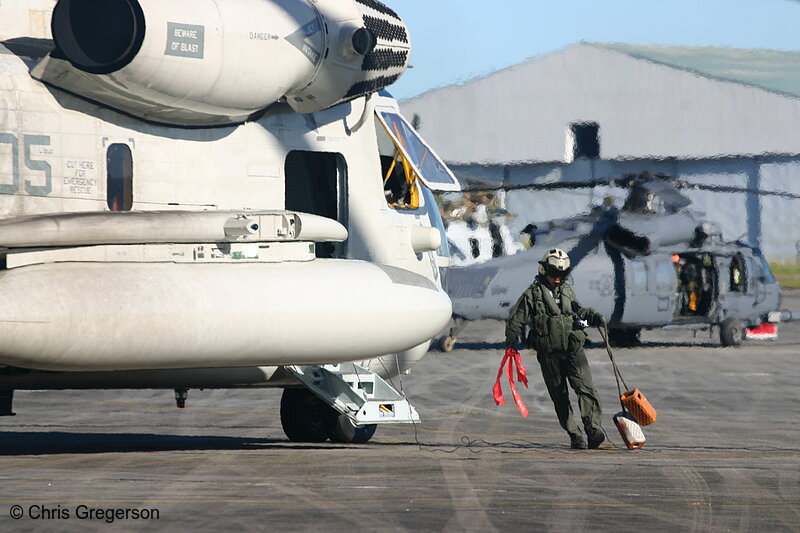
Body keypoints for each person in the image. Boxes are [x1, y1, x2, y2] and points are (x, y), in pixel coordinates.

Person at [504, 248, 606, 449]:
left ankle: (593, 428)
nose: (557, 278)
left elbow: (580, 312)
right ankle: (575, 434)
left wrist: (592, 317)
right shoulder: (532, 295)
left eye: (562, 274)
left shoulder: (567, 291)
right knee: (559, 396)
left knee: (586, 388)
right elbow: (516, 319)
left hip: (573, 349)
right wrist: (511, 343)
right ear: (544, 270)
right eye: (554, 273)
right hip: (549, 354)